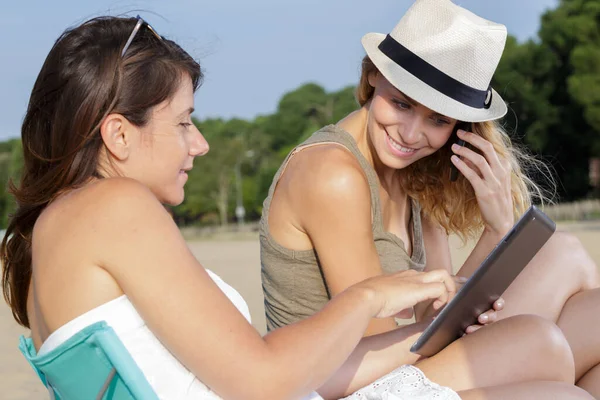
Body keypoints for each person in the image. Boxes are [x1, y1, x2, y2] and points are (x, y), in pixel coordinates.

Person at [0, 12, 592, 400]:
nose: (200, 143)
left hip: (314, 381)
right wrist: (368, 297)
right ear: (118, 135)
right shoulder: (114, 209)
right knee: (548, 359)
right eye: (184, 123)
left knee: (561, 323)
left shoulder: (66, 224)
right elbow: (261, 377)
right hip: (315, 386)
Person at [260, 0, 600, 397]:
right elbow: (379, 339)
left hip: (401, 358)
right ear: (372, 76)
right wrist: (501, 342)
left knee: (568, 259)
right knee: (544, 352)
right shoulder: (332, 175)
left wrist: (497, 230)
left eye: (438, 119)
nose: (411, 134)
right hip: (337, 382)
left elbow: (436, 312)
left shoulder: (412, 172)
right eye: (402, 104)